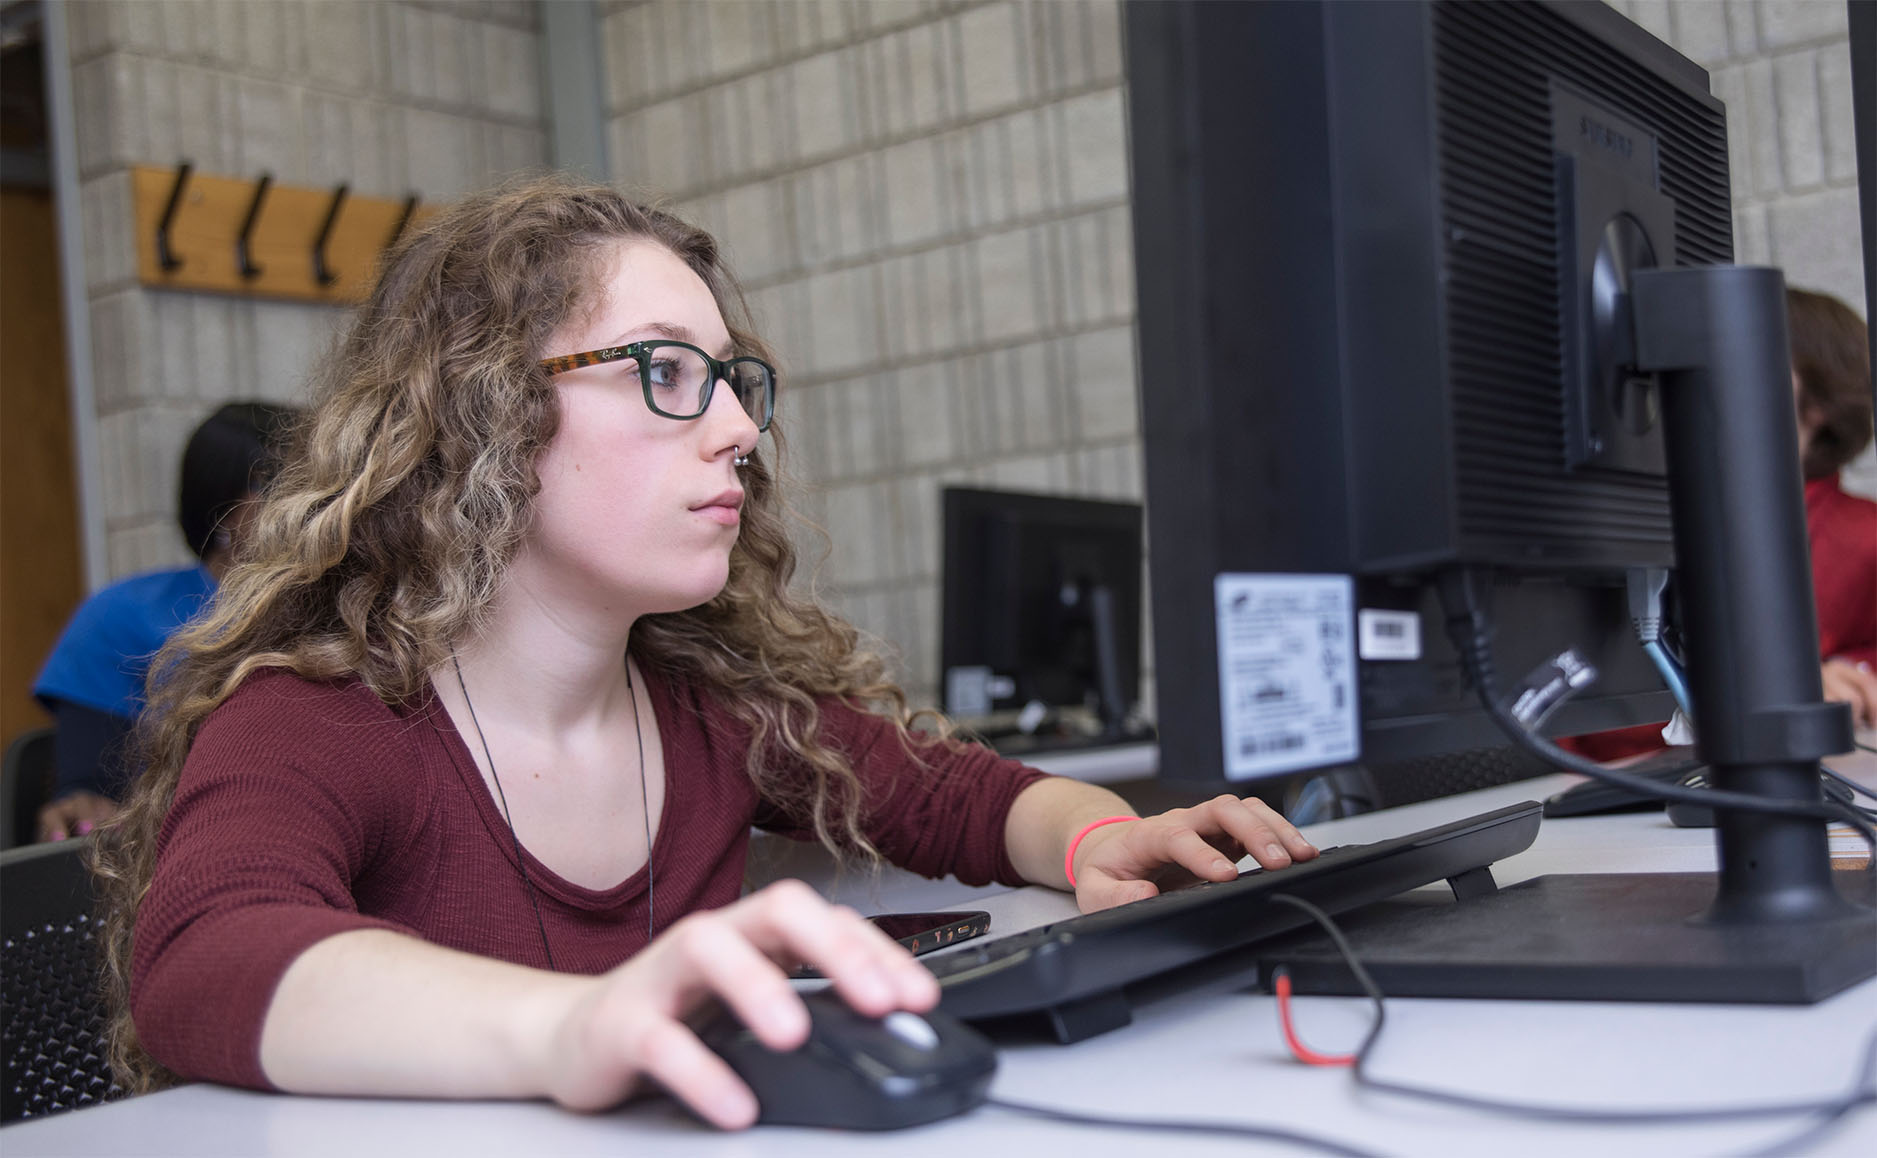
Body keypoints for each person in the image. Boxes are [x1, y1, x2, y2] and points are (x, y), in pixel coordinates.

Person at [91, 176, 1318, 1130]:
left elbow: (963, 799)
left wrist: (1105, 840)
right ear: (480, 414)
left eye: (732, 382)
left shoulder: (712, 706)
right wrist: (576, 1028)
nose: (736, 430)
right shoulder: (321, 720)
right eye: (666, 374)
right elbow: (203, 957)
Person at [1563, 285, 1877, 763]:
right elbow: (1581, 712)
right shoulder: (1640, 529)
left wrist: (1847, 679)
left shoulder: (1863, 536)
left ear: (1821, 400)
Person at [30, 401, 297, 841]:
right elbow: (88, 795)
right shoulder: (120, 615)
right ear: (224, 505)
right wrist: (82, 810)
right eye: (280, 484)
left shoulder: (353, 615)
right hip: (180, 851)